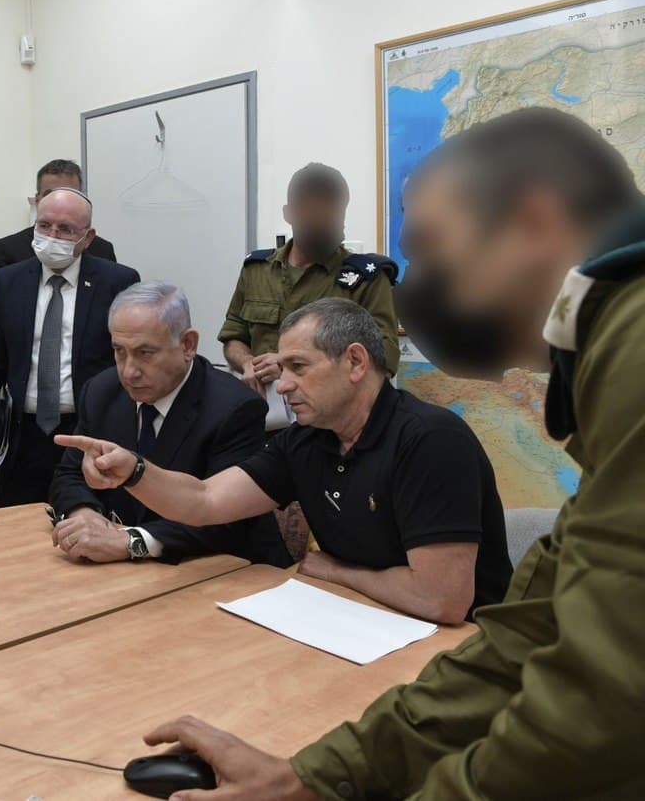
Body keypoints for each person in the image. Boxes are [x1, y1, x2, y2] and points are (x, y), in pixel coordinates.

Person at [121, 108, 645, 800]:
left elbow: (592, 710)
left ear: (535, 223)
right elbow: (521, 643)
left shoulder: (629, 350)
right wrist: (312, 780)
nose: (416, 288)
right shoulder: (612, 353)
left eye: (430, 247)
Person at [59, 297, 512, 622]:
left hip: (461, 647)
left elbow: (441, 601)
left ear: (355, 363)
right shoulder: (308, 440)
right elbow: (205, 500)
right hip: (356, 620)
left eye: (299, 367)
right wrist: (135, 471)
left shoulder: (430, 440)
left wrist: (336, 571)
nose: (283, 385)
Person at [49, 281, 290, 566]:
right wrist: (84, 513)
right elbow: (69, 474)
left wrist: (132, 541)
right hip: (124, 569)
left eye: (145, 353)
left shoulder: (235, 408)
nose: (129, 371)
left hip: (221, 570)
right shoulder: (102, 391)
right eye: (119, 351)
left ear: (188, 345)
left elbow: (226, 519)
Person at [0, 188, 139, 507]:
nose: (52, 236)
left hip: (89, 431)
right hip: (23, 433)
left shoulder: (118, 282)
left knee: (84, 516)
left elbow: (127, 361)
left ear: (88, 238)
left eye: (65, 230)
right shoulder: (9, 281)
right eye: (44, 226)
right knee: (20, 521)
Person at [219, 162, 400, 394]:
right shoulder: (257, 271)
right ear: (289, 214)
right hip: (263, 407)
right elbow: (234, 336)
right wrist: (248, 364)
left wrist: (287, 365)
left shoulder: (366, 280)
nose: (324, 223)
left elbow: (383, 360)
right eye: (314, 214)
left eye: (333, 213)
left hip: (330, 411)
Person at [0, 160, 116, 274]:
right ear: (37, 200)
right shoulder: (8, 249)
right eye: (50, 194)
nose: (58, 201)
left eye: (68, 194)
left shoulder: (102, 251)